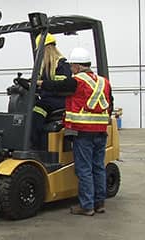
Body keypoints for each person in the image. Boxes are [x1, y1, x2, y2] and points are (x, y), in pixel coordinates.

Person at [38, 47, 113, 216]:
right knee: (98, 168)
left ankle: (86, 206)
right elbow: (110, 104)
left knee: (84, 169)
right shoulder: (103, 82)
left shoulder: (77, 81)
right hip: (101, 132)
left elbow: (58, 86)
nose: (71, 70)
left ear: (78, 67)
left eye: (72, 67)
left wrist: (40, 83)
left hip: (83, 132)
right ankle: (99, 203)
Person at [31, 33, 72, 150]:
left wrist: (41, 84)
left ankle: (35, 146)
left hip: (59, 101)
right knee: (28, 111)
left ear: (46, 49)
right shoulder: (45, 66)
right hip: (48, 99)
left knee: (36, 115)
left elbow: (63, 86)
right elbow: (40, 80)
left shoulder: (62, 65)